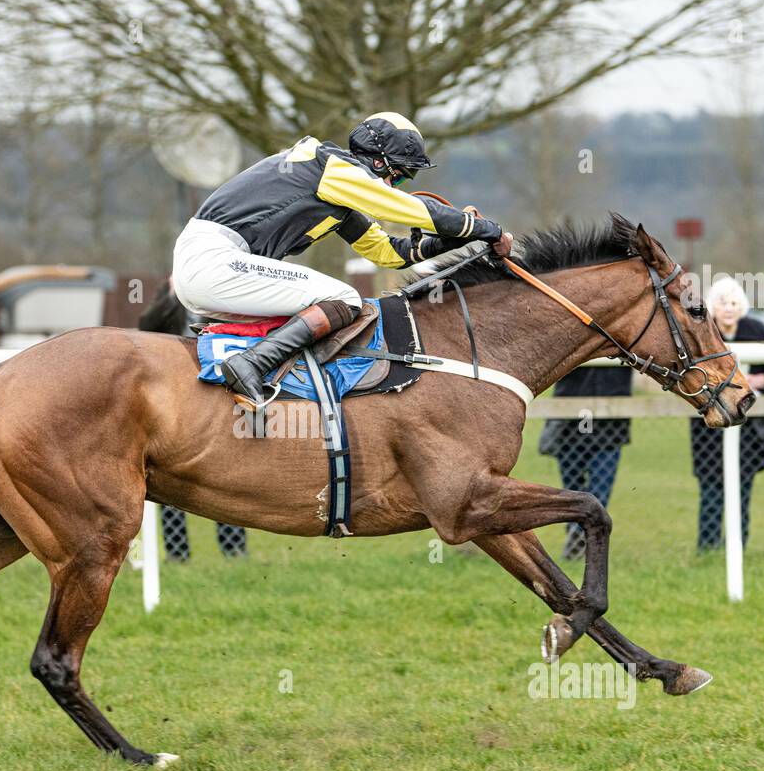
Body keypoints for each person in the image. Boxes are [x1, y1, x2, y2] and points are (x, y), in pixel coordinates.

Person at [171, 112, 513, 409]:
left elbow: (390, 254)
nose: (401, 184)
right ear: (379, 162)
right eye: (402, 175)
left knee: (332, 301)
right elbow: (405, 207)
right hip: (216, 261)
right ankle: (251, 364)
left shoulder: (336, 188)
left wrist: (452, 240)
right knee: (345, 298)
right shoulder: (333, 168)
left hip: (211, 265)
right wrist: (487, 229)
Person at [139, 280, 248, 560]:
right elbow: (146, 323)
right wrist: (172, 294)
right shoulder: (168, 296)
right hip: (175, 389)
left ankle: (234, 549)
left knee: (225, 469)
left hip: (217, 385)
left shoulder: (218, 294)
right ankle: (178, 554)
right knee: (168, 468)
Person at [689, 277, 764, 550]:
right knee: (710, 487)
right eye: (722, 302)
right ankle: (706, 547)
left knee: (743, 487)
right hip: (709, 423)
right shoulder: (701, 333)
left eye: (733, 302)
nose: (728, 308)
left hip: (748, 425)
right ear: (712, 306)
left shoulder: (757, 331)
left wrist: (762, 381)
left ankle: (738, 544)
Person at [538, 366, 633, 561]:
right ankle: (578, 534)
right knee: (573, 491)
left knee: (600, 492)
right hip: (570, 423)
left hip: (610, 427)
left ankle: (582, 537)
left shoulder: (622, 341)